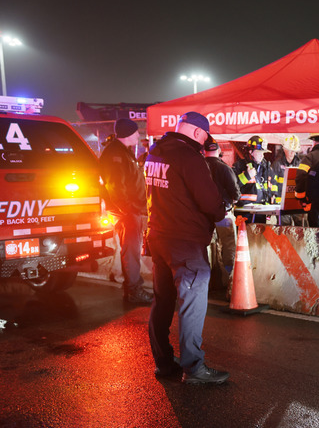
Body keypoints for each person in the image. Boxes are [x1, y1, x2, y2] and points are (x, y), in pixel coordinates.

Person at [145, 111, 230, 384]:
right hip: (185, 242)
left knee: (162, 301)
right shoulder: (190, 157)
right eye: (205, 137)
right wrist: (220, 210)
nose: (205, 143)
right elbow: (210, 202)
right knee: (191, 304)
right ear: (196, 133)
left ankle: (164, 363)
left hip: (159, 235)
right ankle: (194, 368)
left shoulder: (155, 151)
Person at [98, 118, 153, 304]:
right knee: (131, 251)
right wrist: (128, 210)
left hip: (131, 210)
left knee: (132, 251)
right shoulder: (116, 154)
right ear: (128, 133)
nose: (139, 135)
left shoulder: (122, 152)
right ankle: (134, 290)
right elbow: (115, 187)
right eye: (136, 132)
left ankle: (132, 288)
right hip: (127, 212)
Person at [203, 138, 240, 295]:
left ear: (204, 151)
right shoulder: (224, 168)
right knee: (229, 246)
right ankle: (228, 282)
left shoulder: (198, 167)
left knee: (206, 248)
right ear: (218, 151)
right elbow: (235, 192)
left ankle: (208, 282)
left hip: (203, 216)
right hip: (224, 214)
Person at [269, 135, 304, 225]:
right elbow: (273, 182)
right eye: (289, 150)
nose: (292, 153)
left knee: (300, 226)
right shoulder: (277, 164)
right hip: (282, 202)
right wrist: (273, 196)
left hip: (297, 201)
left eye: (294, 151)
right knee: (285, 225)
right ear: (284, 149)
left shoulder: (301, 164)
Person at [295, 134, 319, 227]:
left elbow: (301, 176)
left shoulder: (310, 157)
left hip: (314, 205)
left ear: (313, 142)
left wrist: (301, 197)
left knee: (316, 234)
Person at [233, 135, 271, 207]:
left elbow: (268, 188)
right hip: (244, 210)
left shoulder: (264, 167)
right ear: (251, 152)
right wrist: (247, 176)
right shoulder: (239, 166)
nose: (262, 156)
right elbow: (232, 187)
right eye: (259, 152)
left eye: (263, 153)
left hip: (262, 209)